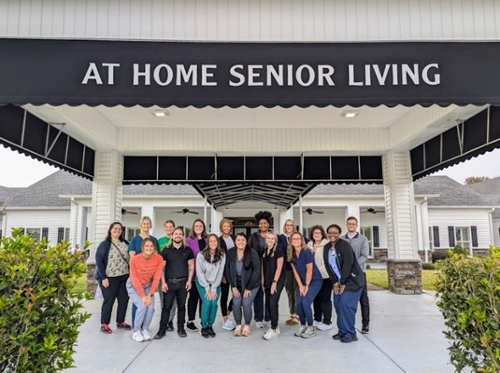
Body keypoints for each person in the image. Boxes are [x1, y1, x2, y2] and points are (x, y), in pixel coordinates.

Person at [324, 224, 365, 343]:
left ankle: (350, 333)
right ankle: (342, 331)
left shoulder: (344, 245)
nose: (332, 235)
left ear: (339, 234)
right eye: (330, 232)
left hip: (352, 281)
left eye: (335, 233)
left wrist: (342, 282)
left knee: (346, 306)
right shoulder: (327, 248)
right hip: (338, 281)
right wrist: (334, 282)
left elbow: (348, 264)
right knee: (338, 305)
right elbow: (328, 266)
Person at [155, 227, 194, 339]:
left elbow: (191, 266)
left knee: (182, 307)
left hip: (183, 283)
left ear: (182, 236)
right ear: (172, 236)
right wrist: (163, 282)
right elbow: (161, 268)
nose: (178, 235)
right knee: (166, 307)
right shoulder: (166, 251)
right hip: (169, 283)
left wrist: (189, 281)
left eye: (180, 234)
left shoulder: (187, 250)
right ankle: (162, 329)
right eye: (175, 234)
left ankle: (181, 328)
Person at [95, 222, 131, 334]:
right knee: (109, 300)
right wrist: (103, 277)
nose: (117, 231)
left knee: (124, 300)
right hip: (109, 278)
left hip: (124, 276)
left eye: (120, 229)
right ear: (110, 230)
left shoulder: (125, 243)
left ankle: (120, 321)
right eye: (115, 228)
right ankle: (104, 324)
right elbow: (99, 261)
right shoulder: (105, 244)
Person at [126, 237, 163, 342]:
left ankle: (145, 329)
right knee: (142, 306)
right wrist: (142, 296)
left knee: (150, 308)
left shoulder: (158, 259)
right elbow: (134, 278)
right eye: (147, 246)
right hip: (133, 285)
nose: (149, 248)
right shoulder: (134, 260)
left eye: (151, 246)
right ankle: (136, 331)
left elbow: (156, 277)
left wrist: (150, 294)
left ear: (154, 248)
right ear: (142, 248)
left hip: (148, 285)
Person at [225, 233, 261, 337]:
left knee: (246, 302)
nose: (240, 242)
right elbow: (227, 269)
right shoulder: (230, 253)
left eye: (243, 240)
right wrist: (233, 286)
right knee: (236, 303)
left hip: (252, 284)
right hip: (236, 283)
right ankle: (238, 325)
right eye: (238, 240)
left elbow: (256, 271)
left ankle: (247, 325)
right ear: (235, 242)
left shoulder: (252, 253)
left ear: (246, 241)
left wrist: (248, 288)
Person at [288, 232, 322, 339]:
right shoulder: (291, 253)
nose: (296, 241)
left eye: (298, 238)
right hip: (302, 282)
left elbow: (309, 270)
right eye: (294, 239)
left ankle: (311, 328)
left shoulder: (307, 252)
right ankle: (303, 326)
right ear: (291, 241)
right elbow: (295, 272)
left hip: (314, 281)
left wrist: (306, 285)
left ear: (302, 240)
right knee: (299, 303)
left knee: (306, 302)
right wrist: (301, 285)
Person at [128, 216, 159, 328]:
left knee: (149, 303)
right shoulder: (134, 240)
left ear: (150, 225)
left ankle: (145, 327)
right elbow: (131, 258)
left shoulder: (154, 240)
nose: (146, 225)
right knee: (139, 304)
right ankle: (136, 326)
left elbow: (155, 257)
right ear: (140, 225)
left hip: (149, 277)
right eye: (144, 223)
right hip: (137, 276)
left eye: (148, 223)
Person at [342, 216, 370, 334]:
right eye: (349, 224)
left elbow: (364, 256)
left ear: (356, 225)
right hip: (345, 275)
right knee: (346, 300)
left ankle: (365, 324)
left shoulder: (363, 239)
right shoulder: (342, 239)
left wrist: (353, 266)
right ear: (347, 225)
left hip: (359, 274)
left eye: (353, 224)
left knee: (363, 299)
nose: (351, 225)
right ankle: (347, 325)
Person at [195, 234, 226, 338]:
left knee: (214, 303)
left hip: (215, 283)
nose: (213, 243)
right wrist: (207, 288)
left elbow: (220, 273)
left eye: (215, 241)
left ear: (218, 242)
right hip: (202, 282)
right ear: (208, 243)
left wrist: (213, 288)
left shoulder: (222, 254)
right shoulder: (201, 255)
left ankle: (210, 325)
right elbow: (200, 273)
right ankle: (204, 326)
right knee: (207, 302)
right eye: (211, 241)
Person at [248, 210, 272, 328]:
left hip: (269, 269)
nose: (263, 225)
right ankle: (258, 318)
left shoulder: (273, 236)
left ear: (268, 224)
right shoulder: (253, 237)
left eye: (265, 223)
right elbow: (249, 252)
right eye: (261, 223)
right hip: (256, 269)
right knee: (257, 294)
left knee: (268, 294)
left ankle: (268, 317)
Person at [307, 225, 333, 331]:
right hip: (313, 276)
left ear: (322, 234)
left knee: (325, 298)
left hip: (325, 275)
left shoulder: (327, 244)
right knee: (316, 298)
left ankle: (327, 321)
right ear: (312, 235)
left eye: (319, 233)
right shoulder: (309, 245)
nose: (317, 235)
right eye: (315, 233)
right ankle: (317, 319)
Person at [261, 231, 285, 340]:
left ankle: (274, 329)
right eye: (268, 238)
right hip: (267, 280)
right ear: (266, 240)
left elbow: (279, 268)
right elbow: (263, 268)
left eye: (272, 238)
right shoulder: (265, 251)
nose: (270, 240)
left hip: (277, 280)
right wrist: (263, 282)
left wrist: (274, 283)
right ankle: (275, 326)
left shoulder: (278, 250)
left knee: (272, 303)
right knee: (269, 303)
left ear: (275, 240)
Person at [185, 219, 208, 332]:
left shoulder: (207, 240)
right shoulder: (188, 241)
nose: (198, 227)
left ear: (203, 227)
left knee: (203, 298)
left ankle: (201, 319)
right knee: (193, 298)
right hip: (193, 275)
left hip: (206, 275)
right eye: (196, 226)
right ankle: (190, 321)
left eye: (200, 226)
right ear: (193, 228)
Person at [278, 219, 300, 326]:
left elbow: (307, 244)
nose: (289, 227)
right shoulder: (281, 238)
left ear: (294, 226)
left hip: (297, 268)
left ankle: (297, 314)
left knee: (296, 290)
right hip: (285, 269)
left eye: (291, 225)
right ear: (285, 226)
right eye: (287, 225)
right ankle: (291, 313)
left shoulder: (298, 236)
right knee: (289, 290)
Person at [157, 220, 177, 332]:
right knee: (164, 300)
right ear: (164, 228)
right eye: (167, 227)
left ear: (174, 228)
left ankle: (170, 320)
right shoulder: (160, 241)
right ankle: (165, 320)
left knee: (173, 300)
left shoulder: (177, 240)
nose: (169, 229)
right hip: (163, 274)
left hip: (175, 274)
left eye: (171, 227)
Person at [219, 218, 235, 331]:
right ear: (221, 227)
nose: (226, 228)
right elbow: (219, 259)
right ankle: (225, 317)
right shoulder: (219, 241)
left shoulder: (234, 239)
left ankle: (229, 311)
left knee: (236, 294)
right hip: (224, 271)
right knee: (224, 295)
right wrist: (223, 274)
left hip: (235, 271)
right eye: (224, 226)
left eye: (228, 226)